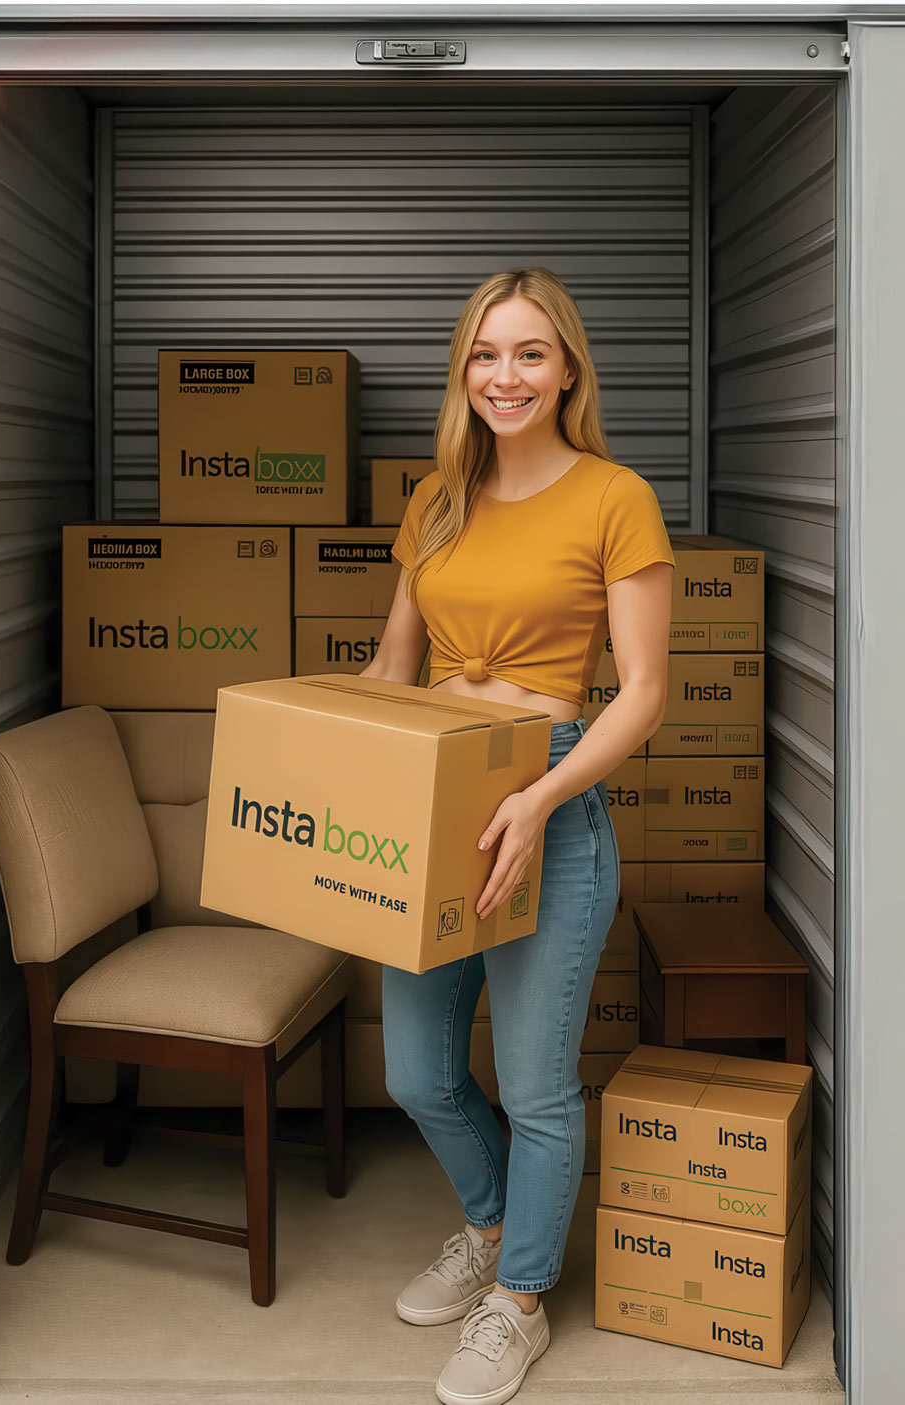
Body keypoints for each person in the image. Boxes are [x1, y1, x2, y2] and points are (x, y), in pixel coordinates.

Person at [359, 267, 675, 1405]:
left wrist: (539, 801)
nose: (506, 375)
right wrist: (342, 759)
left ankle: (520, 1299)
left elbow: (641, 692)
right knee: (416, 1073)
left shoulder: (614, 496)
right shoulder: (438, 498)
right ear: (464, 371)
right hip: (435, 792)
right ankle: (490, 1225)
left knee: (536, 1086)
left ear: (568, 368)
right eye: (486, 354)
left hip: (548, 793)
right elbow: (393, 668)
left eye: (530, 352)